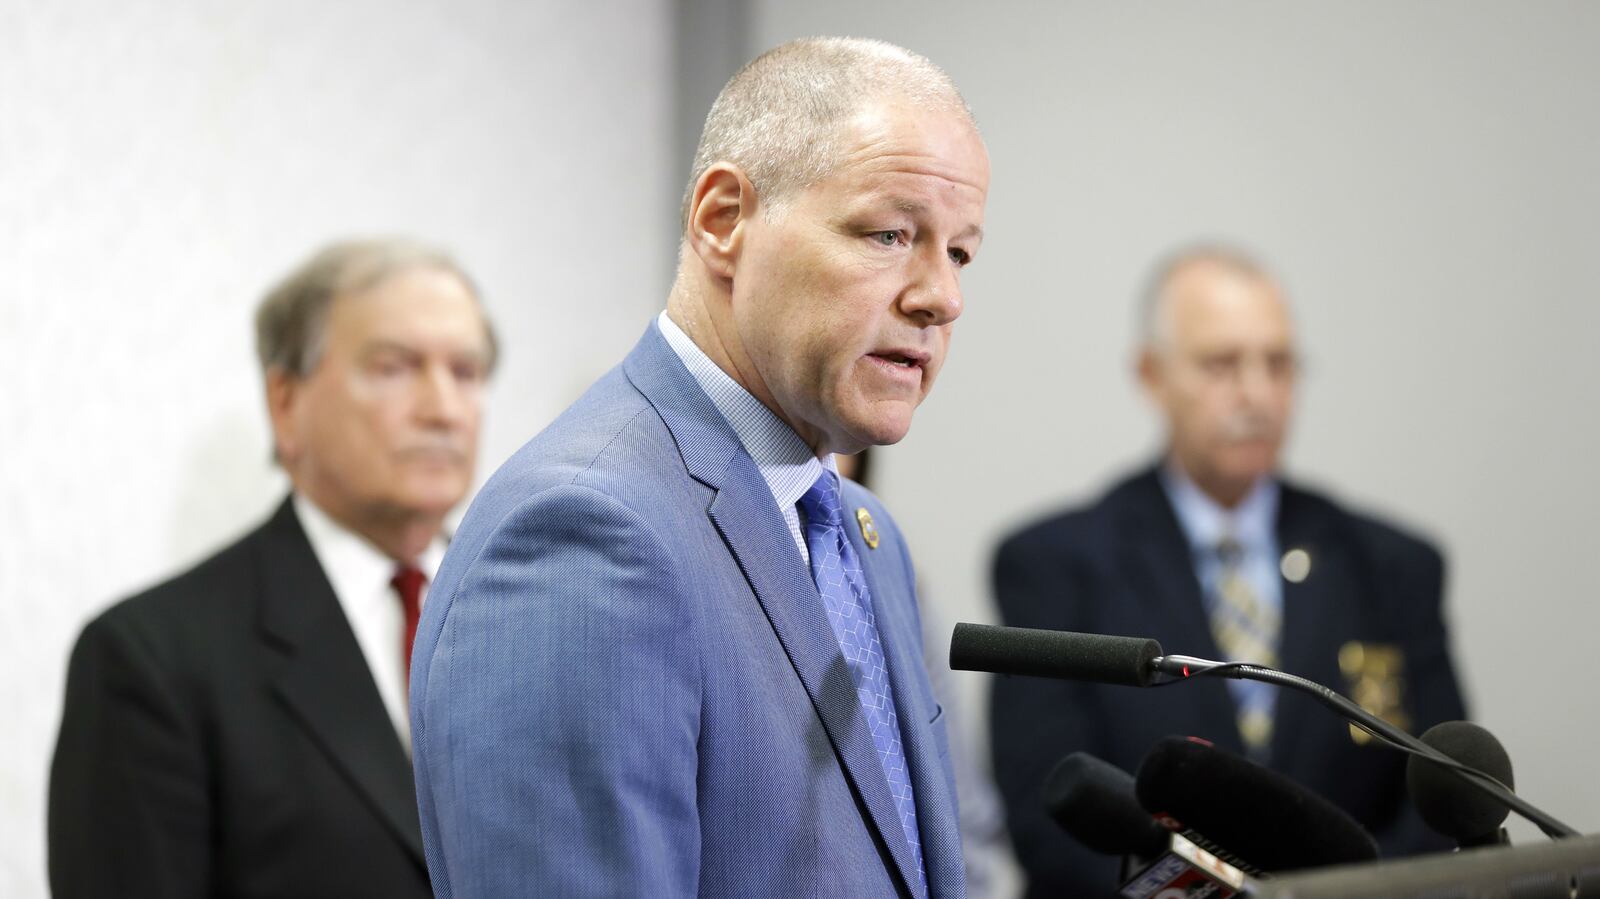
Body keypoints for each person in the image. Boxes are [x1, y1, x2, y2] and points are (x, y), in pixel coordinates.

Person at [410, 37, 988, 899]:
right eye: (889, 233)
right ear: (724, 220)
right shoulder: (583, 530)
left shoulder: (868, 536)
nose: (940, 295)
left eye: (961, 252)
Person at [989, 246, 1468, 897]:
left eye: (1278, 364)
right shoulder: (1057, 565)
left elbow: (1444, 796)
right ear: (1152, 374)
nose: (1257, 394)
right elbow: (1049, 815)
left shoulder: (1389, 565)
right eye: (1222, 364)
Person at [49, 238, 497, 899]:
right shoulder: (150, 658)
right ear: (285, 402)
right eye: (395, 367)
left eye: (465, 371)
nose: (443, 408)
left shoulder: (536, 616)